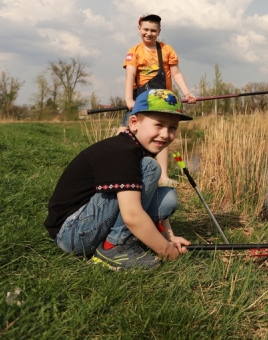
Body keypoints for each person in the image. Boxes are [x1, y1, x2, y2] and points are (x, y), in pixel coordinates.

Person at [45, 89, 192, 270]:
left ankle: (115, 240)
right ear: (134, 122)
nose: (165, 134)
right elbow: (132, 215)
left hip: (87, 224)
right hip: (72, 233)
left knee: (167, 196)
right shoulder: (122, 152)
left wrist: (168, 237)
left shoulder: (135, 148)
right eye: (159, 125)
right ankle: (114, 247)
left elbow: (150, 197)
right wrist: (165, 251)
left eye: (172, 128)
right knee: (150, 167)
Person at [119, 14, 197, 187]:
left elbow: (176, 73)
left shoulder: (167, 49)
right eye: (145, 29)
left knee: (163, 133)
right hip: (141, 98)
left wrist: (187, 93)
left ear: (159, 31)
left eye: (153, 30)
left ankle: (162, 176)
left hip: (163, 100)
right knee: (124, 131)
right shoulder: (134, 51)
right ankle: (119, 168)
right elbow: (130, 75)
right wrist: (129, 99)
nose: (149, 33)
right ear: (139, 29)